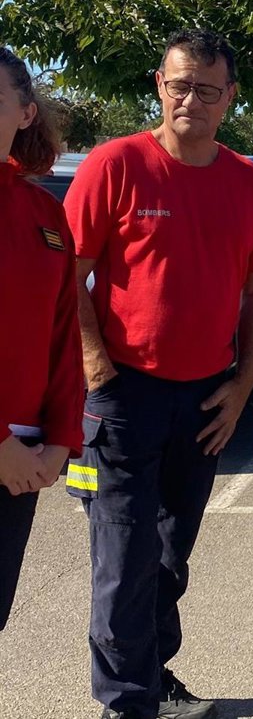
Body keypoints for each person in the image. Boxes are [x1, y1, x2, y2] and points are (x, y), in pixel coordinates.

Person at [64, 29, 253, 719]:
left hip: (206, 395)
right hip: (123, 390)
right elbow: (66, 276)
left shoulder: (250, 183)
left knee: (168, 552)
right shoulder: (115, 164)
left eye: (207, 89)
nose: (191, 99)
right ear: (160, 85)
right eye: (180, 85)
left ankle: (152, 674)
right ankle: (125, 700)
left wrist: (243, 385)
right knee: (124, 552)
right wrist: (95, 365)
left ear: (230, 97)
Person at [0, 48, 84, 632]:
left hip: (23, 461)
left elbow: (63, 335)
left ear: (26, 113)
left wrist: (60, 440)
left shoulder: (44, 215)